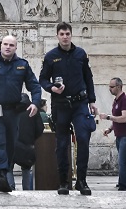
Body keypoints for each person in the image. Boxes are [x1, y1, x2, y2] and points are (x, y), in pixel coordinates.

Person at [0, 35, 42, 192]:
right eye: (5, 44)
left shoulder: (22, 65)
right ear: (0, 45)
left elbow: (35, 86)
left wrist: (36, 103)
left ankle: (5, 171)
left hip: (13, 112)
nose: (7, 47)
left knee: (10, 144)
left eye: (11, 45)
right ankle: (1, 175)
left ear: (16, 47)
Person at [38, 22, 97, 195]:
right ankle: (64, 182)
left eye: (67, 34)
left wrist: (92, 101)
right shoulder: (51, 56)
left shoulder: (81, 54)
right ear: (57, 36)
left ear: (71, 35)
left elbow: (89, 78)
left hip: (80, 103)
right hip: (61, 105)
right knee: (62, 144)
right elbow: (42, 79)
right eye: (62, 34)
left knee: (83, 139)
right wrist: (51, 88)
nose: (65, 37)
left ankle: (82, 181)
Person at [100, 77, 126, 191]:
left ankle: (125, 186)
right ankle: (125, 183)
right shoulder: (116, 100)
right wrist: (110, 129)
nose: (109, 89)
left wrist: (108, 117)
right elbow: (117, 119)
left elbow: (124, 118)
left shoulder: (125, 100)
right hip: (120, 136)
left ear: (119, 86)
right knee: (123, 161)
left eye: (112, 87)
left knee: (122, 161)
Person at [16, 95, 45, 190]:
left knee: (9, 167)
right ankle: (27, 190)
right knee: (26, 168)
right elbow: (40, 128)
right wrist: (32, 138)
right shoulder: (33, 110)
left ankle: (11, 188)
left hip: (13, 142)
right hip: (28, 143)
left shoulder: (12, 108)